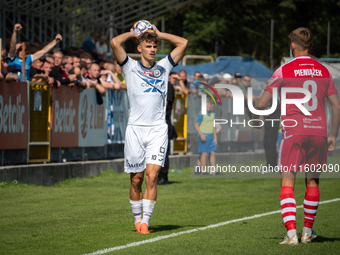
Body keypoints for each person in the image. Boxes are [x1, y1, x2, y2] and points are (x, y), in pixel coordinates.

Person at [252, 27, 340, 245]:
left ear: (292, 46)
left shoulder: (283, 70)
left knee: (287, 181)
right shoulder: (324, 70)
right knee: (312, 181)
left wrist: (256, 103)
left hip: (293, 132)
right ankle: (307, 232)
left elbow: (262, 104)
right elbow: (336, 106)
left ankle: (292, 234)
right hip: (318, 132)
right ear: (311, 46)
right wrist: (332, 135)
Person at [110, 21, 187, 234]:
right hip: (135, 129)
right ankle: (137, 219)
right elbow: (115, 42)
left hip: (157, 130)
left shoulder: (164, 66)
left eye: (155, 46)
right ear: (139, 48)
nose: (153, 49)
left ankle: (145, 222)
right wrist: (133, 33)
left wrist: (160, 34)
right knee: (136, 179)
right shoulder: (129, 66)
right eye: (148, 46)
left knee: (152, 177)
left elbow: (183, 43)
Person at [157, 72, 177, 185]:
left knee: (163, 152)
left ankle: (163, 176)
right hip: (157, 123)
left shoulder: (168, 86)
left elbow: (165, 103)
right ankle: (158, 175)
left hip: (164, 122)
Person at [194, 96, 217, 175]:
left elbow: (213, 126)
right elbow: (196, 125)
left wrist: (215, 137)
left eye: (212, 104)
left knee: (213, 152)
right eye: (209, 104)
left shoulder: (213, 113)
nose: (211, 106)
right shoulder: (202, 114)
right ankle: (203, 170)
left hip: (211, 136)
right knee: (204, 153)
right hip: (204, 135)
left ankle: (213, 171)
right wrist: (201, 134)